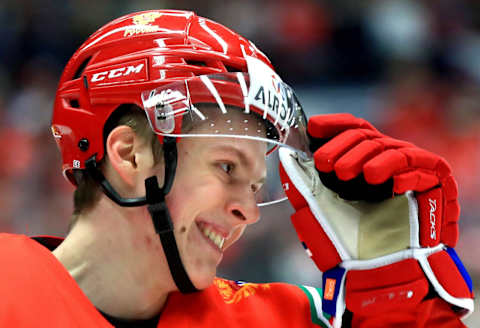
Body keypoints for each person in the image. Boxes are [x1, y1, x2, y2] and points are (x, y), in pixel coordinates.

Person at [0, 9, 474, 328]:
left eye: (254, 184)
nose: (249, 212)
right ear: (128, 154)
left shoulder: (280, 318)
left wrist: (402, 308)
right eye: (227, 167)